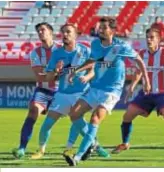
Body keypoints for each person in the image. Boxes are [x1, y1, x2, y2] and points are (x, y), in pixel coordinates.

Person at [62, 17, 150, 166]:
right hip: (95, 88)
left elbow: (139, 61)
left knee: (95, 119)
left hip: (111, 91)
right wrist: (75, 71)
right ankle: (92, 143)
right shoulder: (95, 44)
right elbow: (91, 61)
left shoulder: (121, 46)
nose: (100, 30)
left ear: (112, 31)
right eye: (99, 27)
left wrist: (146, 81)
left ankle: (77, 157)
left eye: (103, 27)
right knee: (74, 114)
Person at [30, 23, 108, 160]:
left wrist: (87, 77)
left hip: (81, 94)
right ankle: (41, 150)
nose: (65, 35)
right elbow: (48, 78)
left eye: (68, 32)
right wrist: (56, 71)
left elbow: (93, 71)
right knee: (46, 125)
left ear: (76, 35)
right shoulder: (57, 54)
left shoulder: (85, 51)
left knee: (78, 121)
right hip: (62, 94)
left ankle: (96, 146)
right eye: (63, 32)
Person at [111, 28, 164, 157]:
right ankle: (125, 143)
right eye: (147, 37)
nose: (149, 40)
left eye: (152, 37)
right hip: (146, 93)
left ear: (158, 40)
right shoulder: (142, 54)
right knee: (127, 116)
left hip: (163, 93)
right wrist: (132, 86)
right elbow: (139, 71)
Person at [12, 22, 59, 159]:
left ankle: (94, 145)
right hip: (43, 90)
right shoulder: (35, 53)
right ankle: (22, 148)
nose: (40, 33)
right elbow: (39, 76)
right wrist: (56, 73)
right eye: (38, 31)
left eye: (43, 30)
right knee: (33, 110)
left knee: (77, 115)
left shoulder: (63, 49)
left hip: (62, 92)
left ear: (50, 32)